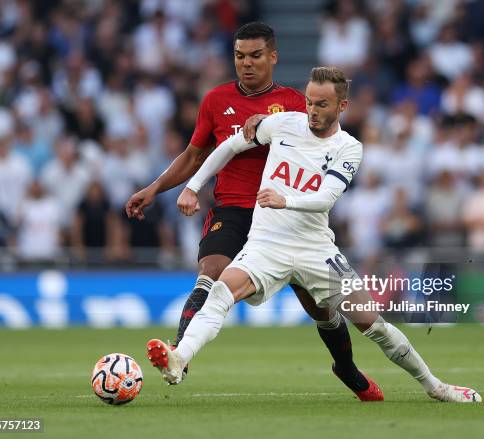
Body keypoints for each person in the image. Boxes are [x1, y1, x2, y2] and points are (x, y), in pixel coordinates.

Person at [161, 67, 481, 403]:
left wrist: (286, 200)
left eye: (322, 105)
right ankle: (178, 358)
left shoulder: (349, 147)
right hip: (266, 244)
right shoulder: (284, 123)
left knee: (373, 325)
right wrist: (193, 186)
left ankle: (435, 386)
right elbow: (229, 146)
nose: (313, 111)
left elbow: (326, 198)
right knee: (221, 292)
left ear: (342, 106)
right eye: (310, 102)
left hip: (316, 250)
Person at [126, 23, 381, 401]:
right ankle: (178, 355)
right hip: (231, 208)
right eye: (239, 56)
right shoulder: (215, 100)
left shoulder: (298, 103)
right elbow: (194, 155)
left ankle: (345, 367)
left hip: (284, 218)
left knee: (320, 307)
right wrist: (155, 187)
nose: (246, 64)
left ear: (273, 57)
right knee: (210, 273)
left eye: (255, 56)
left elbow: (326, 151)